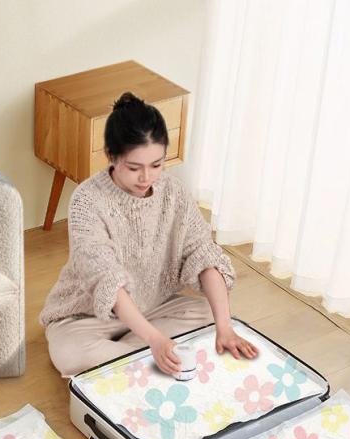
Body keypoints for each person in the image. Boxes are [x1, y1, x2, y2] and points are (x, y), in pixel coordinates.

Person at [39, 91, 258, 377]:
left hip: (154, 308)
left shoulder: (174, 192)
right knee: (73, 355)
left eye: (156, 165)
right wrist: (155, 339)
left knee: (210, 314)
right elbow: (105, 279)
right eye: (134, 168)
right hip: (87, 316)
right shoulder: (87, 200)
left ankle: (132, 356)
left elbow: (203, 254)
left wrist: (225, 328)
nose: (147, 177)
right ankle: (151, 351)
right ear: (111, 156)